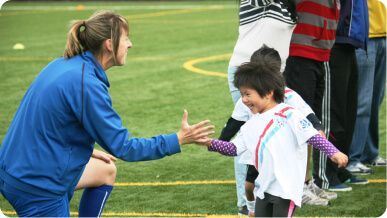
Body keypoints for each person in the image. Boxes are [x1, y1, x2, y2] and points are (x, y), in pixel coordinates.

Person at [0, 11, 214, 217]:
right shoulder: (87, 84)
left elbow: (49, 122)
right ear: (109, 44)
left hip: (13, 168)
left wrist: (87, 151)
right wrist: (178, 139)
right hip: (37, 185)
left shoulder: (64, 64)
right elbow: (124, 148)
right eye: (126, 38)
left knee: (105, 170)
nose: (130, 44)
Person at [202, 61, 348, 217]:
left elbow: (312, 135)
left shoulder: (289, 114)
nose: (243, 99)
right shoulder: (250, 125)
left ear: (268, 93)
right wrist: (208, 142)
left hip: (285, 190)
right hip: (263, 188)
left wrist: (333, 152)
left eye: (247, 94)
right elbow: (233, 149)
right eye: (242, 94)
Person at [227, 1, 296, 213]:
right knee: (249, 137)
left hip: (274, 78)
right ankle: (246, 204)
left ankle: (267, 194)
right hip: (249, 75)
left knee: (272, 136)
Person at [312, 0, 370, 191]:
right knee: (331, 112)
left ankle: (339, 168)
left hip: (349, 41)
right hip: (333, 40)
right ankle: (324, 174)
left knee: (348, 111)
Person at [347, 0, 386, 173]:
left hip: (382, 34)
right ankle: (353, 157)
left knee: (375, 99)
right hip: (364, 37)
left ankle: (369, 153)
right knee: (362, 102)